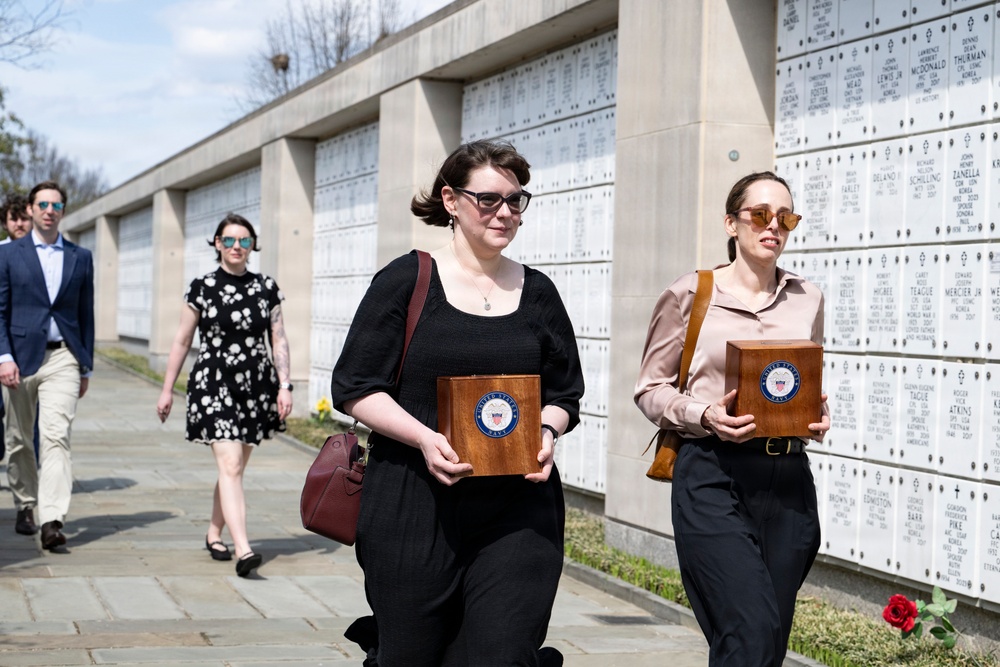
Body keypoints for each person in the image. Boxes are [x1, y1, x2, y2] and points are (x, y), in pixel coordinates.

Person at [330, 139, 584, 666]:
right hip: (413, 504)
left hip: (519, 508)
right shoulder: (406, 280)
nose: (505, 212)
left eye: (516, 200)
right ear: (450, 201)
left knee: (502, 653)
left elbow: (564, 393)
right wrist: (424, 438)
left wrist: (547, 431)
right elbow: (355, 387)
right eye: (489, 199)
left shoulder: (538, 292)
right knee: (410, 656)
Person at [634, 171, 831, 667]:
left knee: (766, 642)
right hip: (711, 473)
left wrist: (817, 410)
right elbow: (649, 389)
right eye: (760, 215)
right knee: (751, 628)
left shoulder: (808, 297)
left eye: (786, 217)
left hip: (788, 481)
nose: (774, 227)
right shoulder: (691, 293)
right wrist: (703, 415)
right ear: (731, 222)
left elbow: (804, 378)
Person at [156, 213, 292, 578]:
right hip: (213, 384)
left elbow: (277, 338)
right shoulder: (201, 287)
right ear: (217, 243)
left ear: (252, 246)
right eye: (229, 240)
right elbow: (183, 340)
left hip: (255, 386)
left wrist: (285, 384)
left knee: (233, 467)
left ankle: (213, 532)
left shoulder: (266, 287)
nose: (236, 247)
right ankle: (243, 549)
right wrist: (168, 389)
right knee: (230, 465)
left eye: (244, 241)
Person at [0, 181, 94, 548]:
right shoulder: (7, 255)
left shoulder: (79, 257)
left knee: (56, 437)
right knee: (20, 438)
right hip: (19, 359)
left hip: (64, 357)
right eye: (43, 204)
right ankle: (25, 502)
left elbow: (85, 312)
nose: (49, 210)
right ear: (32, 208)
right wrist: (3, 356)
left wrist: (85, 365)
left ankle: (52, 518)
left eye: (56, 204)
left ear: (62, 211)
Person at [0, 193, 43, 466]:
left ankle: (32, 467)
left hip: (27, 346)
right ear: (5, 222)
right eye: (13, 219)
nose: (20, 224)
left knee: (32, 414)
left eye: (24, 218)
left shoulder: (43, 254)